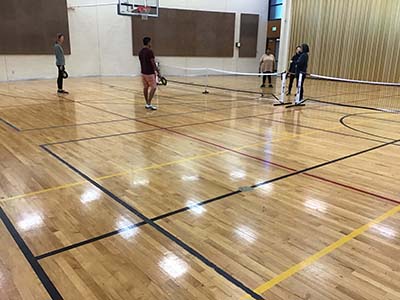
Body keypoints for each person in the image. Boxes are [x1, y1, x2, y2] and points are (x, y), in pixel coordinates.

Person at [138, 36, 159, 110]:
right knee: (154, 87)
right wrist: (158, 72)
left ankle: (147, 103)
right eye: (150, 42)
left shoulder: (140, 52)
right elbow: (153, 63)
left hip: (143, 73)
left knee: (145, 87)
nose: (151, 43)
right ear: (148, 42)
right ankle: (149, 103)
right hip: (149, 73)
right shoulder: (150, 51)